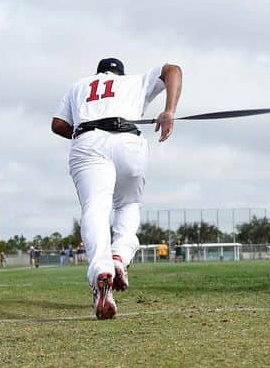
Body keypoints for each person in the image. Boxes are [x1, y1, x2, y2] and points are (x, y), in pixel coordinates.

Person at [51, 57, 183, 320]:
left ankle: (102, 270)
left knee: (96, 207)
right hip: (128, 141)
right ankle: (120, 257)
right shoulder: (134, 81)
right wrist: (169, 111)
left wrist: (83, 129)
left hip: (88, 142)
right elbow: (173, 70)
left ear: (97, 73)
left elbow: (58, 124)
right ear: (119, 73)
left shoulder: (79, 86)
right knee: (128, 204)